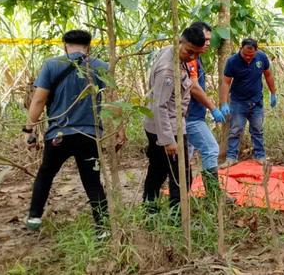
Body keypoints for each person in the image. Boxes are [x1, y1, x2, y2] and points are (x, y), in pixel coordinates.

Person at [23, 29, 124, 234]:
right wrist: (120, 130)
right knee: (92, 180)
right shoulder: (101, 67)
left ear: (64, 45)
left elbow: (39, 99)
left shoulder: (52, 65)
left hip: (59, 134)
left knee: (46, 173)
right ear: (89, 46)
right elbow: (113, 101)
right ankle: (102, 228)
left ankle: (34, 216)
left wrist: (29, 129)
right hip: (89, 135)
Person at [142, 22, 207, 213]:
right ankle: (177, 215)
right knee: (181, 174)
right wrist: (169, 141)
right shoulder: (168, 70)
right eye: (189, 52)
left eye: (197, 54)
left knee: (158, 169)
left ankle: (149, 210)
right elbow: (159, 106)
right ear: (180, 42)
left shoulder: (172, 51)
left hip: (159, 126)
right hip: (167, 128)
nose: (192, 57)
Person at [182, 23, 228, 195]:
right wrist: (213, 107)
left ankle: (181, 196)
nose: (207, 43)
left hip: (190, 115)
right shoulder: (190, 56)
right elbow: (193, 87)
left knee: (185, 157)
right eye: (205, 39)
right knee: (210, 149)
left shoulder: (195, 56)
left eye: (209, 39)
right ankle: (214, 194)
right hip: (191, 116)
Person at [219, 38, 276, 168]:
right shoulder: (232, 61)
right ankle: (231, 157)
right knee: (236, 130)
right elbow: (226, 82)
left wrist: (273, 93)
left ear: (256, 51)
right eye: (245, 54)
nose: (248, 57)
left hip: (256, 101)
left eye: (251, 55)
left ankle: (260, 155)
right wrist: (223, 103)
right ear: (241, 49)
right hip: (238, 102)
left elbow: (268, 75)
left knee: (257, 130)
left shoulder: (262, 57)